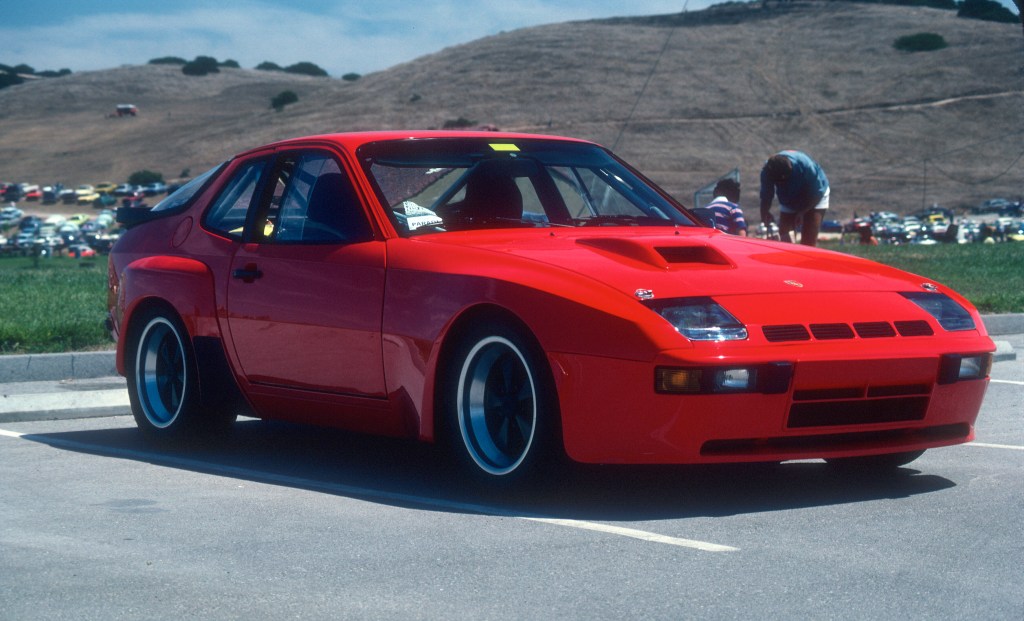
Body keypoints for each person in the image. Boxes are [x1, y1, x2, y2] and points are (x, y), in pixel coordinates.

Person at [759, 150, 830, 246]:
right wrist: (764, 213)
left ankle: (807, 259)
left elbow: (817, 193)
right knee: (785, 239)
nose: (782, 184)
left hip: (815, 196)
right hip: (789, 197)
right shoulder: (767, 171)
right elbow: (766, 195)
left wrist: (802, 212)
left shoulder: (806, 166)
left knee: (808, 241)